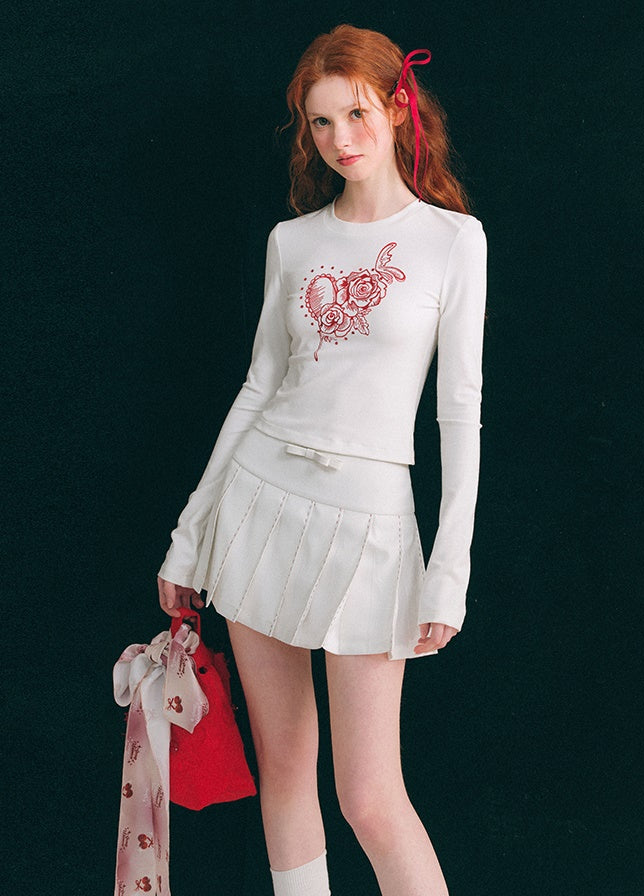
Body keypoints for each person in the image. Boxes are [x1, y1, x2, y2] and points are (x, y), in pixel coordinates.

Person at [157, 23, 486, 896]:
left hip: (370, 527)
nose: (342, 138)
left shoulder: (454, 241)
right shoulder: (293, 242)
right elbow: (258, 388)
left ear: (399, 107)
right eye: (321, 121)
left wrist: (448, 572)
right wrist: (188, 538)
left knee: (371, 799)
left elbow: (460, 414)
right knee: (285, 767)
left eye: (358, 112)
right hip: (261, 505)